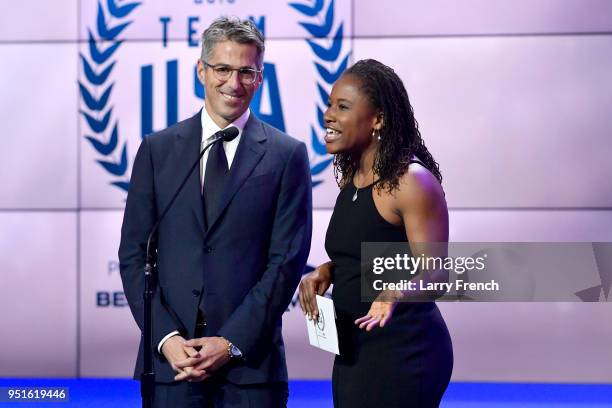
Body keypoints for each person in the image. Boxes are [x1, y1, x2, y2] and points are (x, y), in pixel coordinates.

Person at [119, 17, 312, 407]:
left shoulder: (286, 155)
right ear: (201, 71)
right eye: (223, 69)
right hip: (173, 369)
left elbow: (286, 263)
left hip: (250, 371)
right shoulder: (157, 151)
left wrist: (230, 342)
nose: (234, 83)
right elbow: (134, 255)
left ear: (260, 78)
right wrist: (167, 339)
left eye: (247, 72)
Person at [299, 59, 453, 407]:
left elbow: (436, 273)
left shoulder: (411, 182)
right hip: (355, 351)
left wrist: (394, 293)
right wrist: (327, 271)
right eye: (329, 105)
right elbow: (368, 255)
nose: (328, 115)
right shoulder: (352, 179)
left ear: (378, 119)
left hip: (405, 353)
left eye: (342, 107)